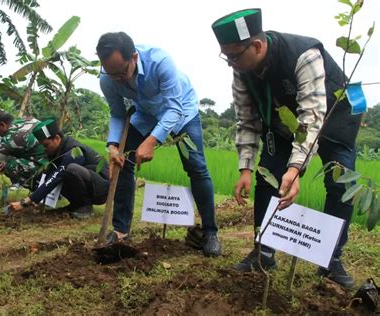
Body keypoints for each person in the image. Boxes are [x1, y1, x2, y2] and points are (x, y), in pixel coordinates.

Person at [211, 8, 361, 287]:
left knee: (341, 185)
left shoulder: (304, 55)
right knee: (266, 176)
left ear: (256, 45)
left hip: (335, 118)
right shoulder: (242, 70)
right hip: (283, 123)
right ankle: (263, 252)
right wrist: (245, 166)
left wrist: (295, 168)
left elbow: (312, 117)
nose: (230, 63)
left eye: (233, 56)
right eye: (226, 56)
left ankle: (331, 260)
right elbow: (245, 119)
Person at [96, 32, 221, 257]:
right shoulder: (108, 77)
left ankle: (210, 233)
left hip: (182, 111)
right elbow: (117, 114)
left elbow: (174, 109)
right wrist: (113, 146)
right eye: (111, 73)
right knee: (122, 162)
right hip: (145, 113)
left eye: (121, 72)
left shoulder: (160, 62)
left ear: (134, 57)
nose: (117, 79)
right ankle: (121, 230)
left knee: (196, 166)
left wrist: (152, 140)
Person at [8, 119, 110, 219]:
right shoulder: (56, 152)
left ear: (57, 138)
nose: (44, 149)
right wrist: (39, 201)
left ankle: (84, 207)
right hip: (87, 183)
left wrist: (25, 202)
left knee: (71, 169)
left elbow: (56, 177)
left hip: (101, 189)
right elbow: (49, 176)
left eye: (46, 145)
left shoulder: (74, 151)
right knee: (56, 173)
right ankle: (76, 205)